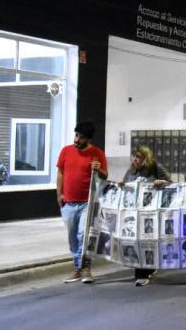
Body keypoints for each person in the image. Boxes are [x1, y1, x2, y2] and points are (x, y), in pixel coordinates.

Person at [56, 121, 108, 284]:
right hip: (68, 202)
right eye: (76, 135)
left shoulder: (97, 153)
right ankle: (78, 268)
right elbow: (60, 173)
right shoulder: (66, 151)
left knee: (83, 235)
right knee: (72, 237)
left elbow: (105, 175)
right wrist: (59, 194)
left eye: (81, 137)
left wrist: (98, 169)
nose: (77, 139)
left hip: (87, 203)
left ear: (88, 139)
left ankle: (84, 268)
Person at [118, 145, 170, 285]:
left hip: (150, 213)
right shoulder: (131, 171)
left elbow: (171, 184)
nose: (135, 159)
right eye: (134, 156)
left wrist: (162, 182)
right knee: (136, 241)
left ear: (146, 158)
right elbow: (126, 187)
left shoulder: (155, 168)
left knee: (147, 241)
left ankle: (143, 273)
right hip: (134, 213)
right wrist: (122, 184)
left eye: (139, 156)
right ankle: (144, 270)